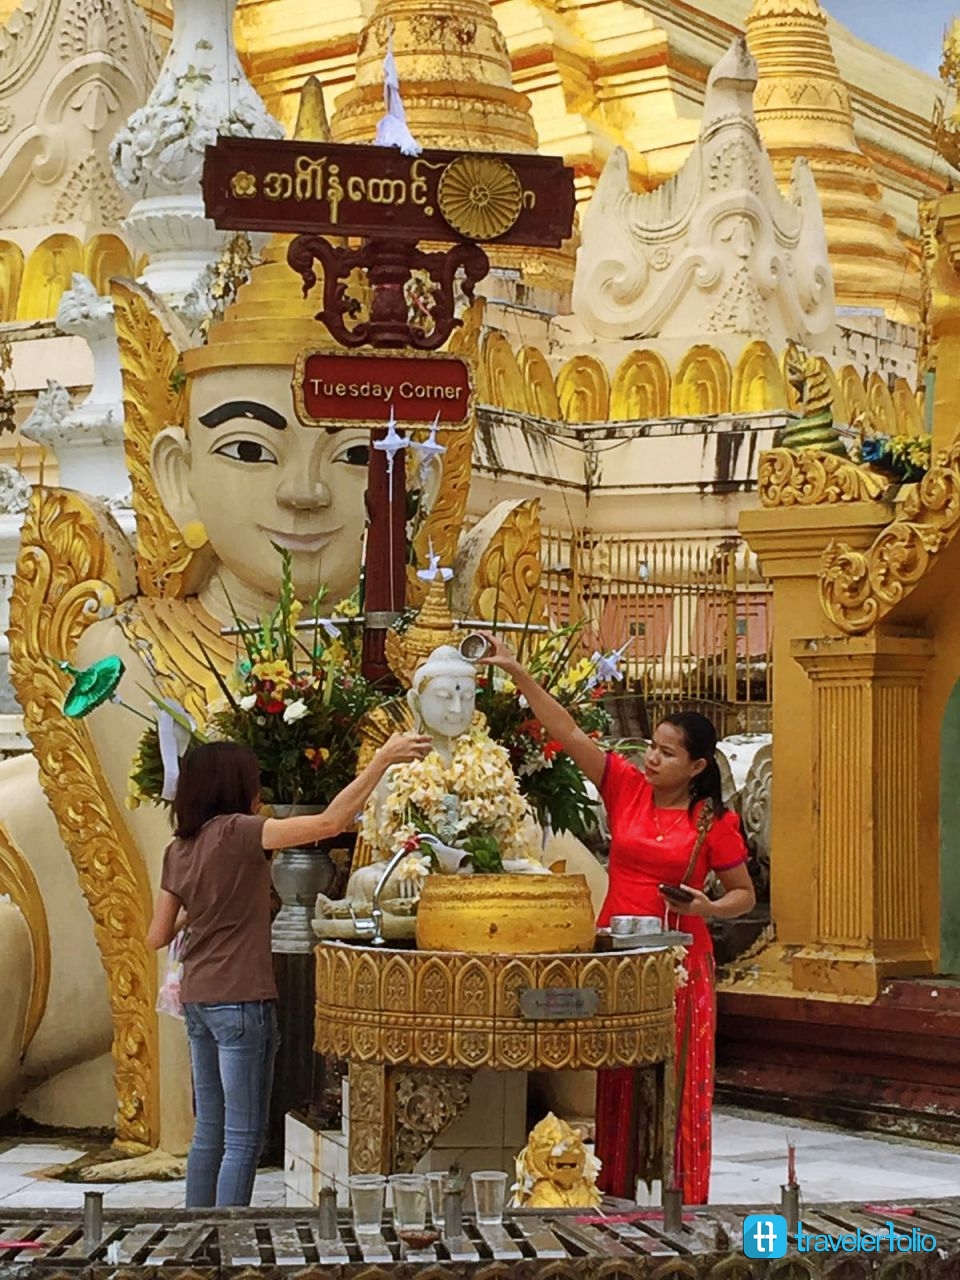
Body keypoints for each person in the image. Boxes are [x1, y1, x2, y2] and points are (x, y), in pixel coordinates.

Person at [479, 636, 755, 1205]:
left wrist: (704, 908)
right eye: (652, 747)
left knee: (678, 1088)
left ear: (698, 766)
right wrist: (519, 672)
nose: (652, 759)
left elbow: (744, 897)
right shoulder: (625, 787)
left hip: (679, 963)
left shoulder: (714, 822)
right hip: (616, 955)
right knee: (618, 1082)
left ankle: (685, 1202)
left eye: (668, 753)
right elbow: (569, 733)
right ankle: (621, 1195)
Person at [146, 729, 433, 1208]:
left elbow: (158, 934)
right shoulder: (240, 831)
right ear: (234, 787)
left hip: (198, 1001)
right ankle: (228, 1244)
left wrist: (206, 907)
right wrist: (382, 758)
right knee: (243, 1138)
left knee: (209, 1133)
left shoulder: (179, 849)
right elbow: (333, 822)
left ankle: (195, 1240)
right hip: (241, 1000)